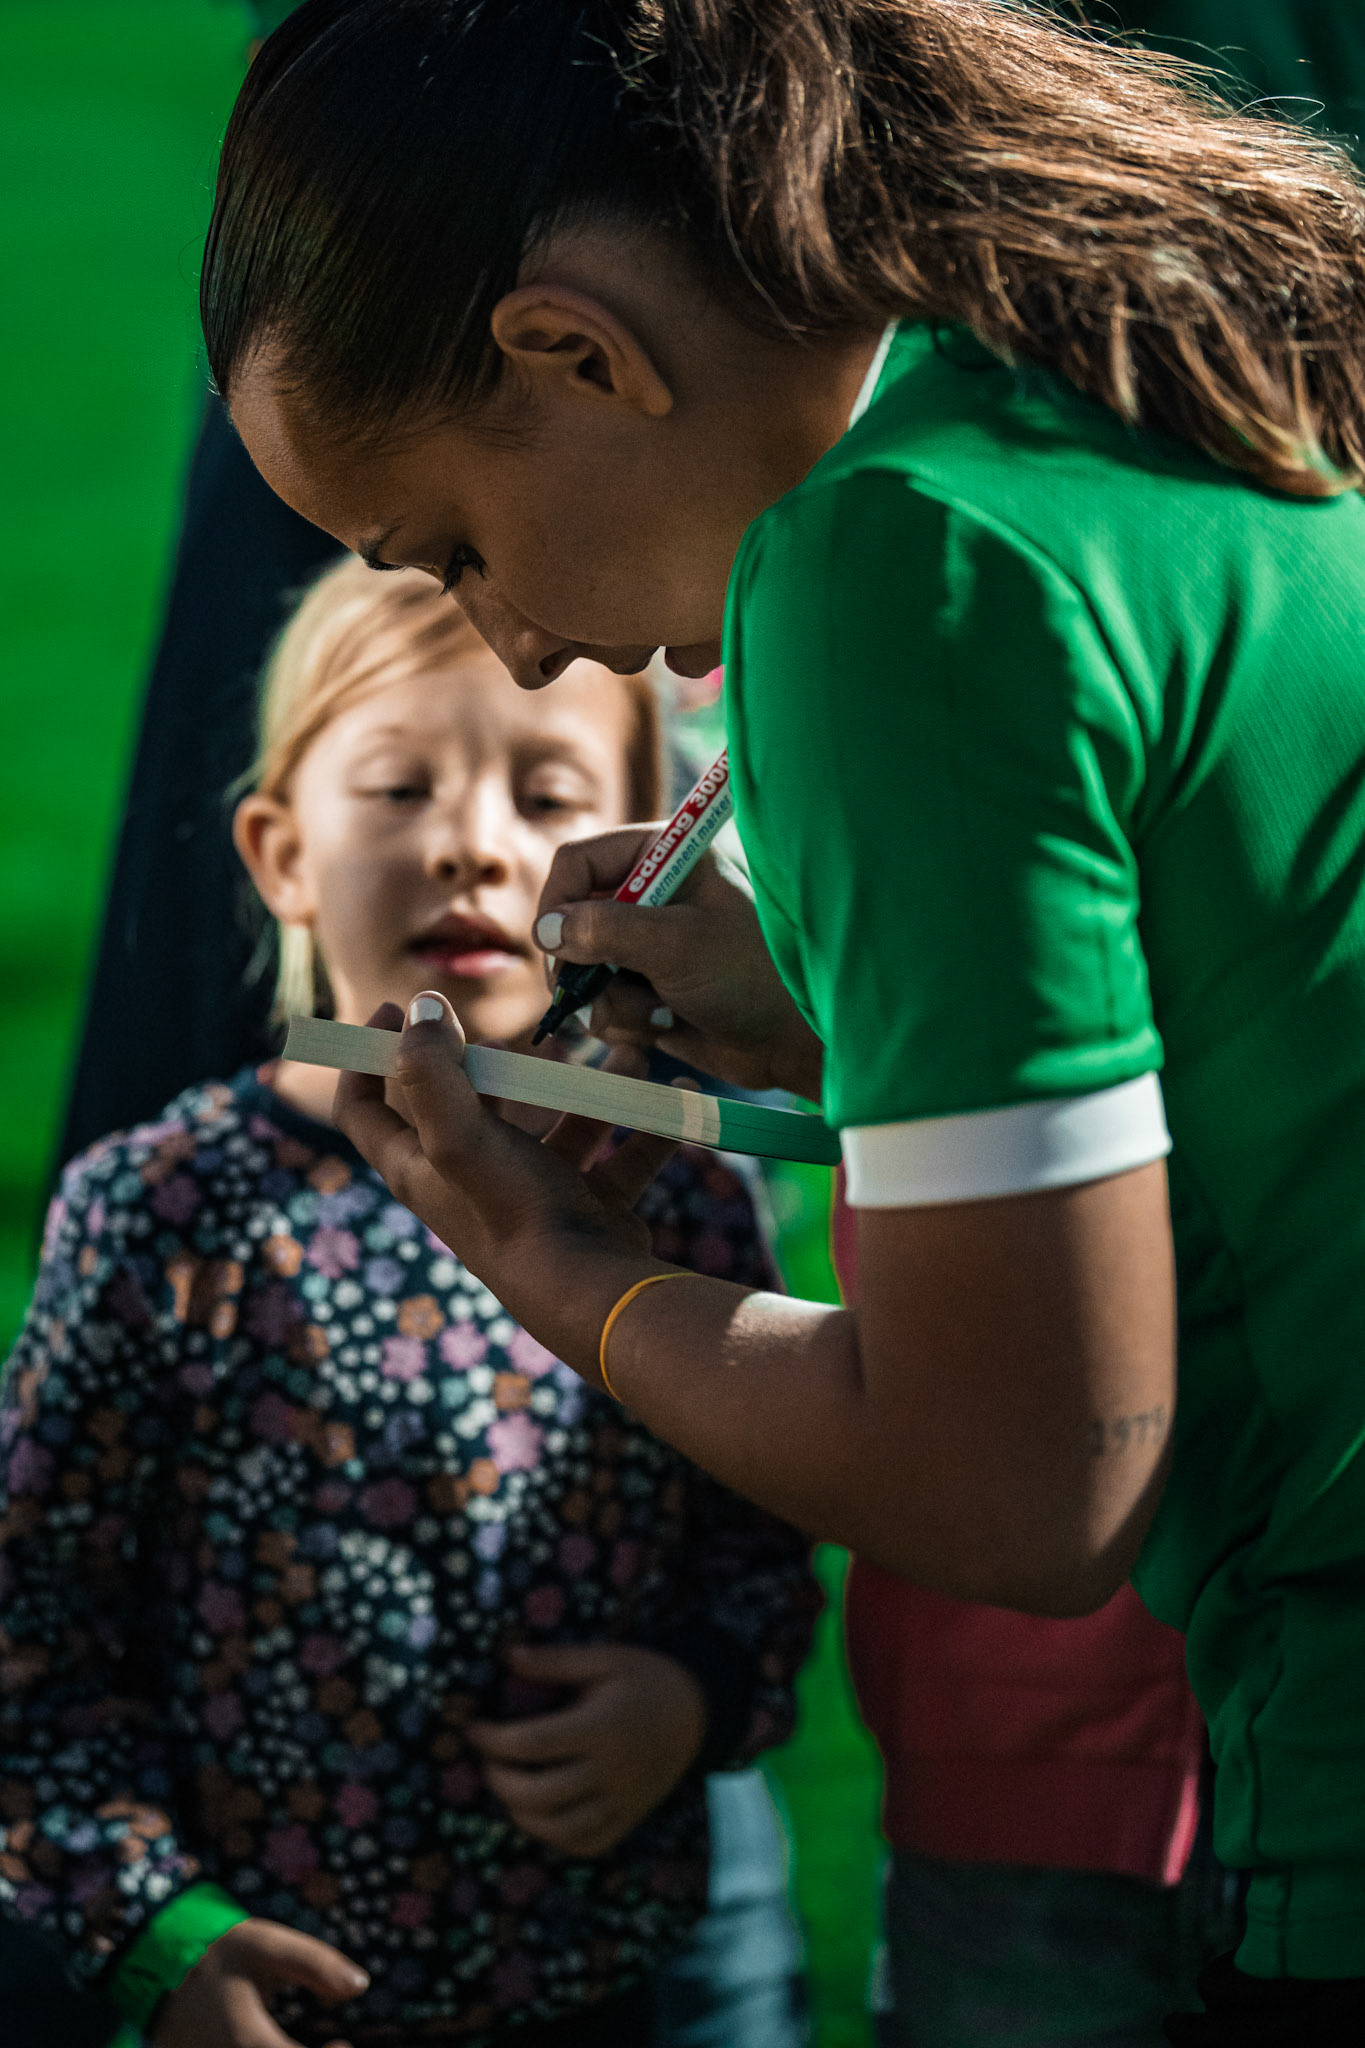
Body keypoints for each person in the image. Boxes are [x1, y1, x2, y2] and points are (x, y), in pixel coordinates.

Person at [192, 2, 1365, 2040]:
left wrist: (556, 1264)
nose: (524, 642)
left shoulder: (887, 555)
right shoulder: (1159, 322)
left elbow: (1024, 1481)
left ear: (576, 349)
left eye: (453, 545)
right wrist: (846, 1011)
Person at [0, 556, 817, 2048]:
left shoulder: (683, 1187)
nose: (471, 846)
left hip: (624, 1986)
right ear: (278, 854)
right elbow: (33, 1650)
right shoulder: (159, 1212)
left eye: (549, 790)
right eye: (396, 789)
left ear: (647, 858)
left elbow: (761, 1554)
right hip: (282, 2000)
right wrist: (162, 1934)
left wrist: (690, 1699)